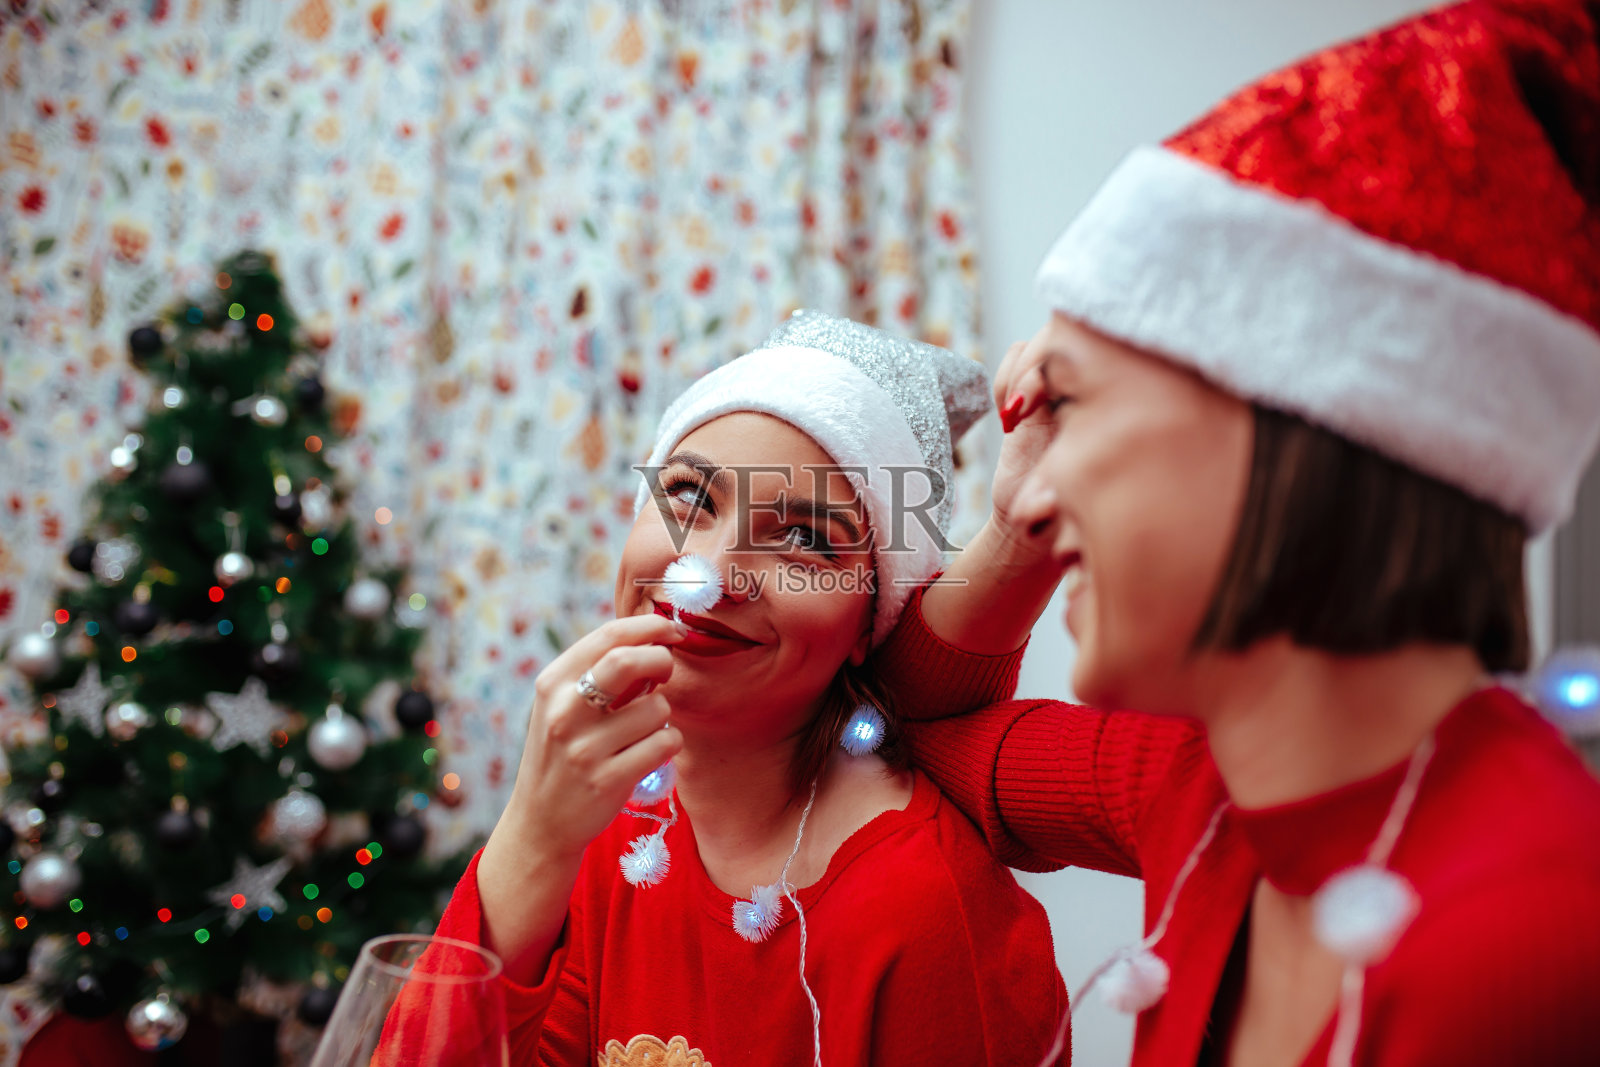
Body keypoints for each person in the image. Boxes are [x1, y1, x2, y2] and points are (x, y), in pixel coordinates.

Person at [867, 2, 1600, 1065]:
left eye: (1068, 406)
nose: (1030, 496)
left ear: (1289, 423)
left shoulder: (1529, 950)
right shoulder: (1205, 782)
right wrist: (1017, 539)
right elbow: (899, 727)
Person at [380, 310, 1067, 1066]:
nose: (703, 578)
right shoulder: (605, 829)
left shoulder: (925, 908)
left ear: (871, 619)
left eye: (805, 538)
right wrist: (531, 834)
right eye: (688, 499)